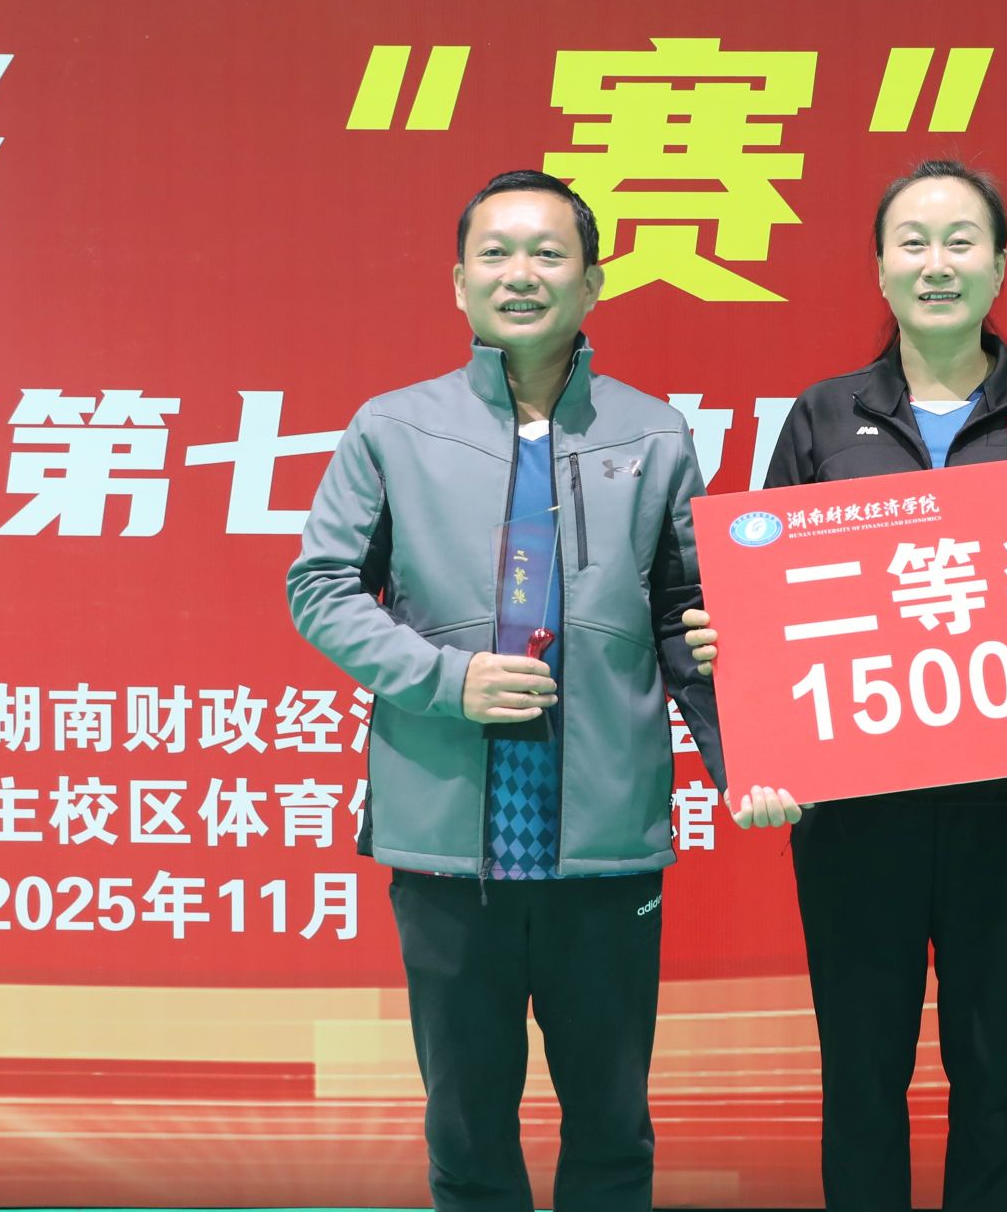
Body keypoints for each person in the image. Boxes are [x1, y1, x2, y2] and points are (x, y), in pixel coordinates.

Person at [287, 169, 723, 1212]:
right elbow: (322, 587)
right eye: (495, 254)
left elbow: (691, 614)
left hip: (606, 846)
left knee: (612, 1129)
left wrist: (756, 755)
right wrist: (448, 680)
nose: (519, 275)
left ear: (592, 281)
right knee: (468, 1131)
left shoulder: (654, 434)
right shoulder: (393, 428)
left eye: (547, 254)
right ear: (458, 281)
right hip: (448, 843)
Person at [681, 158, 1007, 1212]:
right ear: (879, 270)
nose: (936, 263)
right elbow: (768, 611)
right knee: (862, 1079)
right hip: (856, 819)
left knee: (995, 1079)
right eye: (912, 243)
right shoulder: (824, 417)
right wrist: (738, 671)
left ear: (999, 266)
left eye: (961, 241)